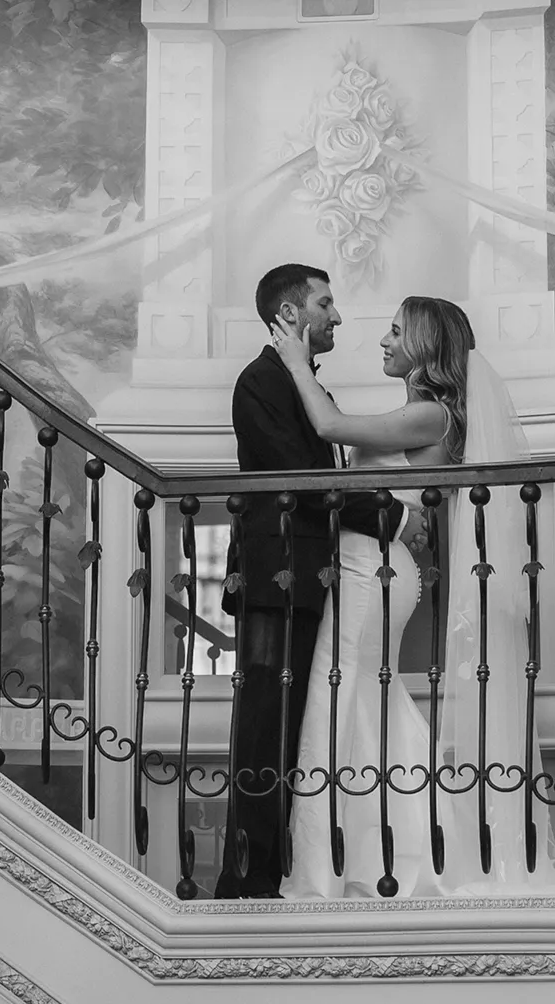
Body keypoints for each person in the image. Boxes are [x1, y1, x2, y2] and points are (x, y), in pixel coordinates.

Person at [269, 296, 555, 903]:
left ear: (425, 347)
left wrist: (296, 363)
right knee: (359, 700)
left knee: (345, 695)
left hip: (377, 571)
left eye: (395, 332)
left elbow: (330, 429)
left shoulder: (431, 416)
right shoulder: (420, 413)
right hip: (368, 566)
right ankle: (383, 845)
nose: (382, 341)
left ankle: (372, 857)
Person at [214, 264, 386, 900]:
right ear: (289, 315)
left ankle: (280, 871)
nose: (337, 316)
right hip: (274, 579)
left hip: (308, 579)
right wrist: (389, 512)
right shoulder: (260, 381)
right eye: (325, 303)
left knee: (294, 727)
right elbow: (301, 480)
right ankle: (245, 883)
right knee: (264, 726)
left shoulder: (303, 383)